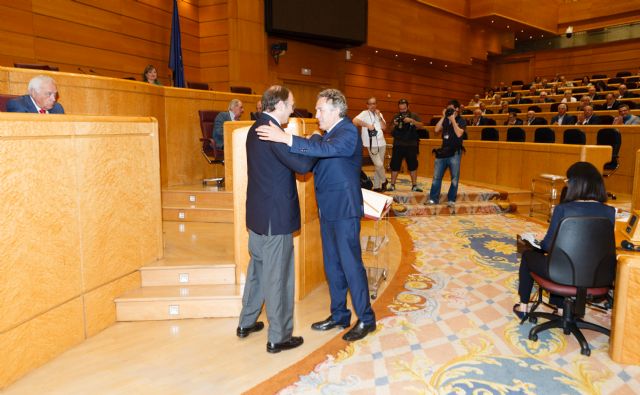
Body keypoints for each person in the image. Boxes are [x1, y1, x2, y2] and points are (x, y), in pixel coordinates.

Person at [255, 89, 377, 342]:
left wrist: (286, 138)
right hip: (329, 211)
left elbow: (326, 149)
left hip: (344, 211)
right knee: (333, 266)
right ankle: (339, 315)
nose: (317, 114)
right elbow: (316, 150)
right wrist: (308, 138)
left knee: (351, 265)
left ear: (335, 110)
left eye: (320, 109)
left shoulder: (347, 133)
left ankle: (366, 318)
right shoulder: (327, 135)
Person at [238, 85, 317, 353]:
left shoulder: (254, 127)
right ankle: (279, 337)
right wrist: (315, 138)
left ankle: (246, 323)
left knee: (258, 271)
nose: (293, 109)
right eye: (291, 104)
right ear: (279, 105)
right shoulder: (273, 133)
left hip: (258, 217)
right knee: (279, 277)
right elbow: (304, 167)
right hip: (276, 219)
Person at [513, 162, 615, 318]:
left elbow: (547, 246)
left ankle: (523, 307)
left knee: (528, 255)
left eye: (568, 181)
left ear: (576, 184)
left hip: (561, 273)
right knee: (566, 258)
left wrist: (536, 242)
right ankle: (561, 310)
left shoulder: (563, 209)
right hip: (598, 276)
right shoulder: (609, 211)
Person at [427, 99, 466, 206]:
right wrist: (444, 116)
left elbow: (459, 134)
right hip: (443, 152)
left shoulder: (461, 120)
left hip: (455, 154)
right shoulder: (445, 119)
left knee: (454, 178)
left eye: (451, 109)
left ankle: (451, 200)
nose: (449, 111)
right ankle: (433, 199)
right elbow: (436, 130)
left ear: (457, 109)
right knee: (436, 177)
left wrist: (453, 120)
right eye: (448, 109)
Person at [388, 98, 424, 192]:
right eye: (401, 109)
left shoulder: (414, 115)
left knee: (413, 165)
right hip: (398, 144)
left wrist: (412, 121)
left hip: (411, 145)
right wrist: (395, 124)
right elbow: (389, 130)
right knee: (395, 165)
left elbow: (421, 126)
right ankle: (392, 185)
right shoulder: (396, 116)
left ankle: (414, 185)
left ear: (408, 107)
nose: (402, 111)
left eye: (404, 109)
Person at [354, 97, 388, 191]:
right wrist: (367, 125)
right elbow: (354, 121)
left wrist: (379, 117)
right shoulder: (364, 113)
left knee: (378, 166)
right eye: (370, 104)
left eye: (374, 103)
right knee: (379, 164)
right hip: (371, 143)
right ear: (367, 105)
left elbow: (384, 128)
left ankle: (377, 186)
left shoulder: (379, 113)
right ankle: (384, 180)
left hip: (382, 142)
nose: (373, 105)